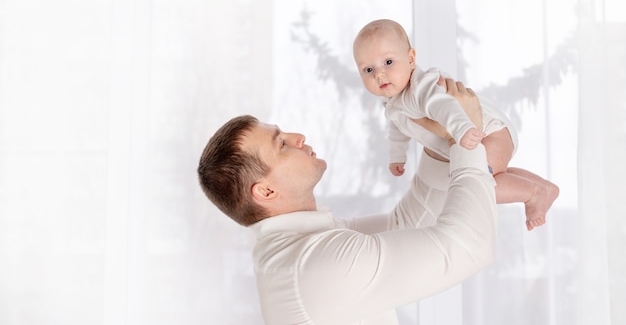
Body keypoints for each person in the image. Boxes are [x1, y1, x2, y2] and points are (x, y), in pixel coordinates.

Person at [197, 79, 497, 325]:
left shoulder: (304, 246)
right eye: (281, 143)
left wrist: (439, 144)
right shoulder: (314, 265)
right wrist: (465, 134)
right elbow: (468, 247)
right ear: (265, 192)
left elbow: (403, 225)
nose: (298, 136)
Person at [352, 18, 560, 231]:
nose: (379, 74)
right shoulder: (394, 101)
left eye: (388, 62)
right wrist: (397, 155)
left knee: (478, 187)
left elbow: (444, 105)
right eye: (368, 70)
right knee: (496, 175)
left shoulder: (420, 88)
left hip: (487, 133)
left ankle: (534, 194)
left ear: (411, 59)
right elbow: (397, 126)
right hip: (485, 133)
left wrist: (462, 130)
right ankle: (543, 188)